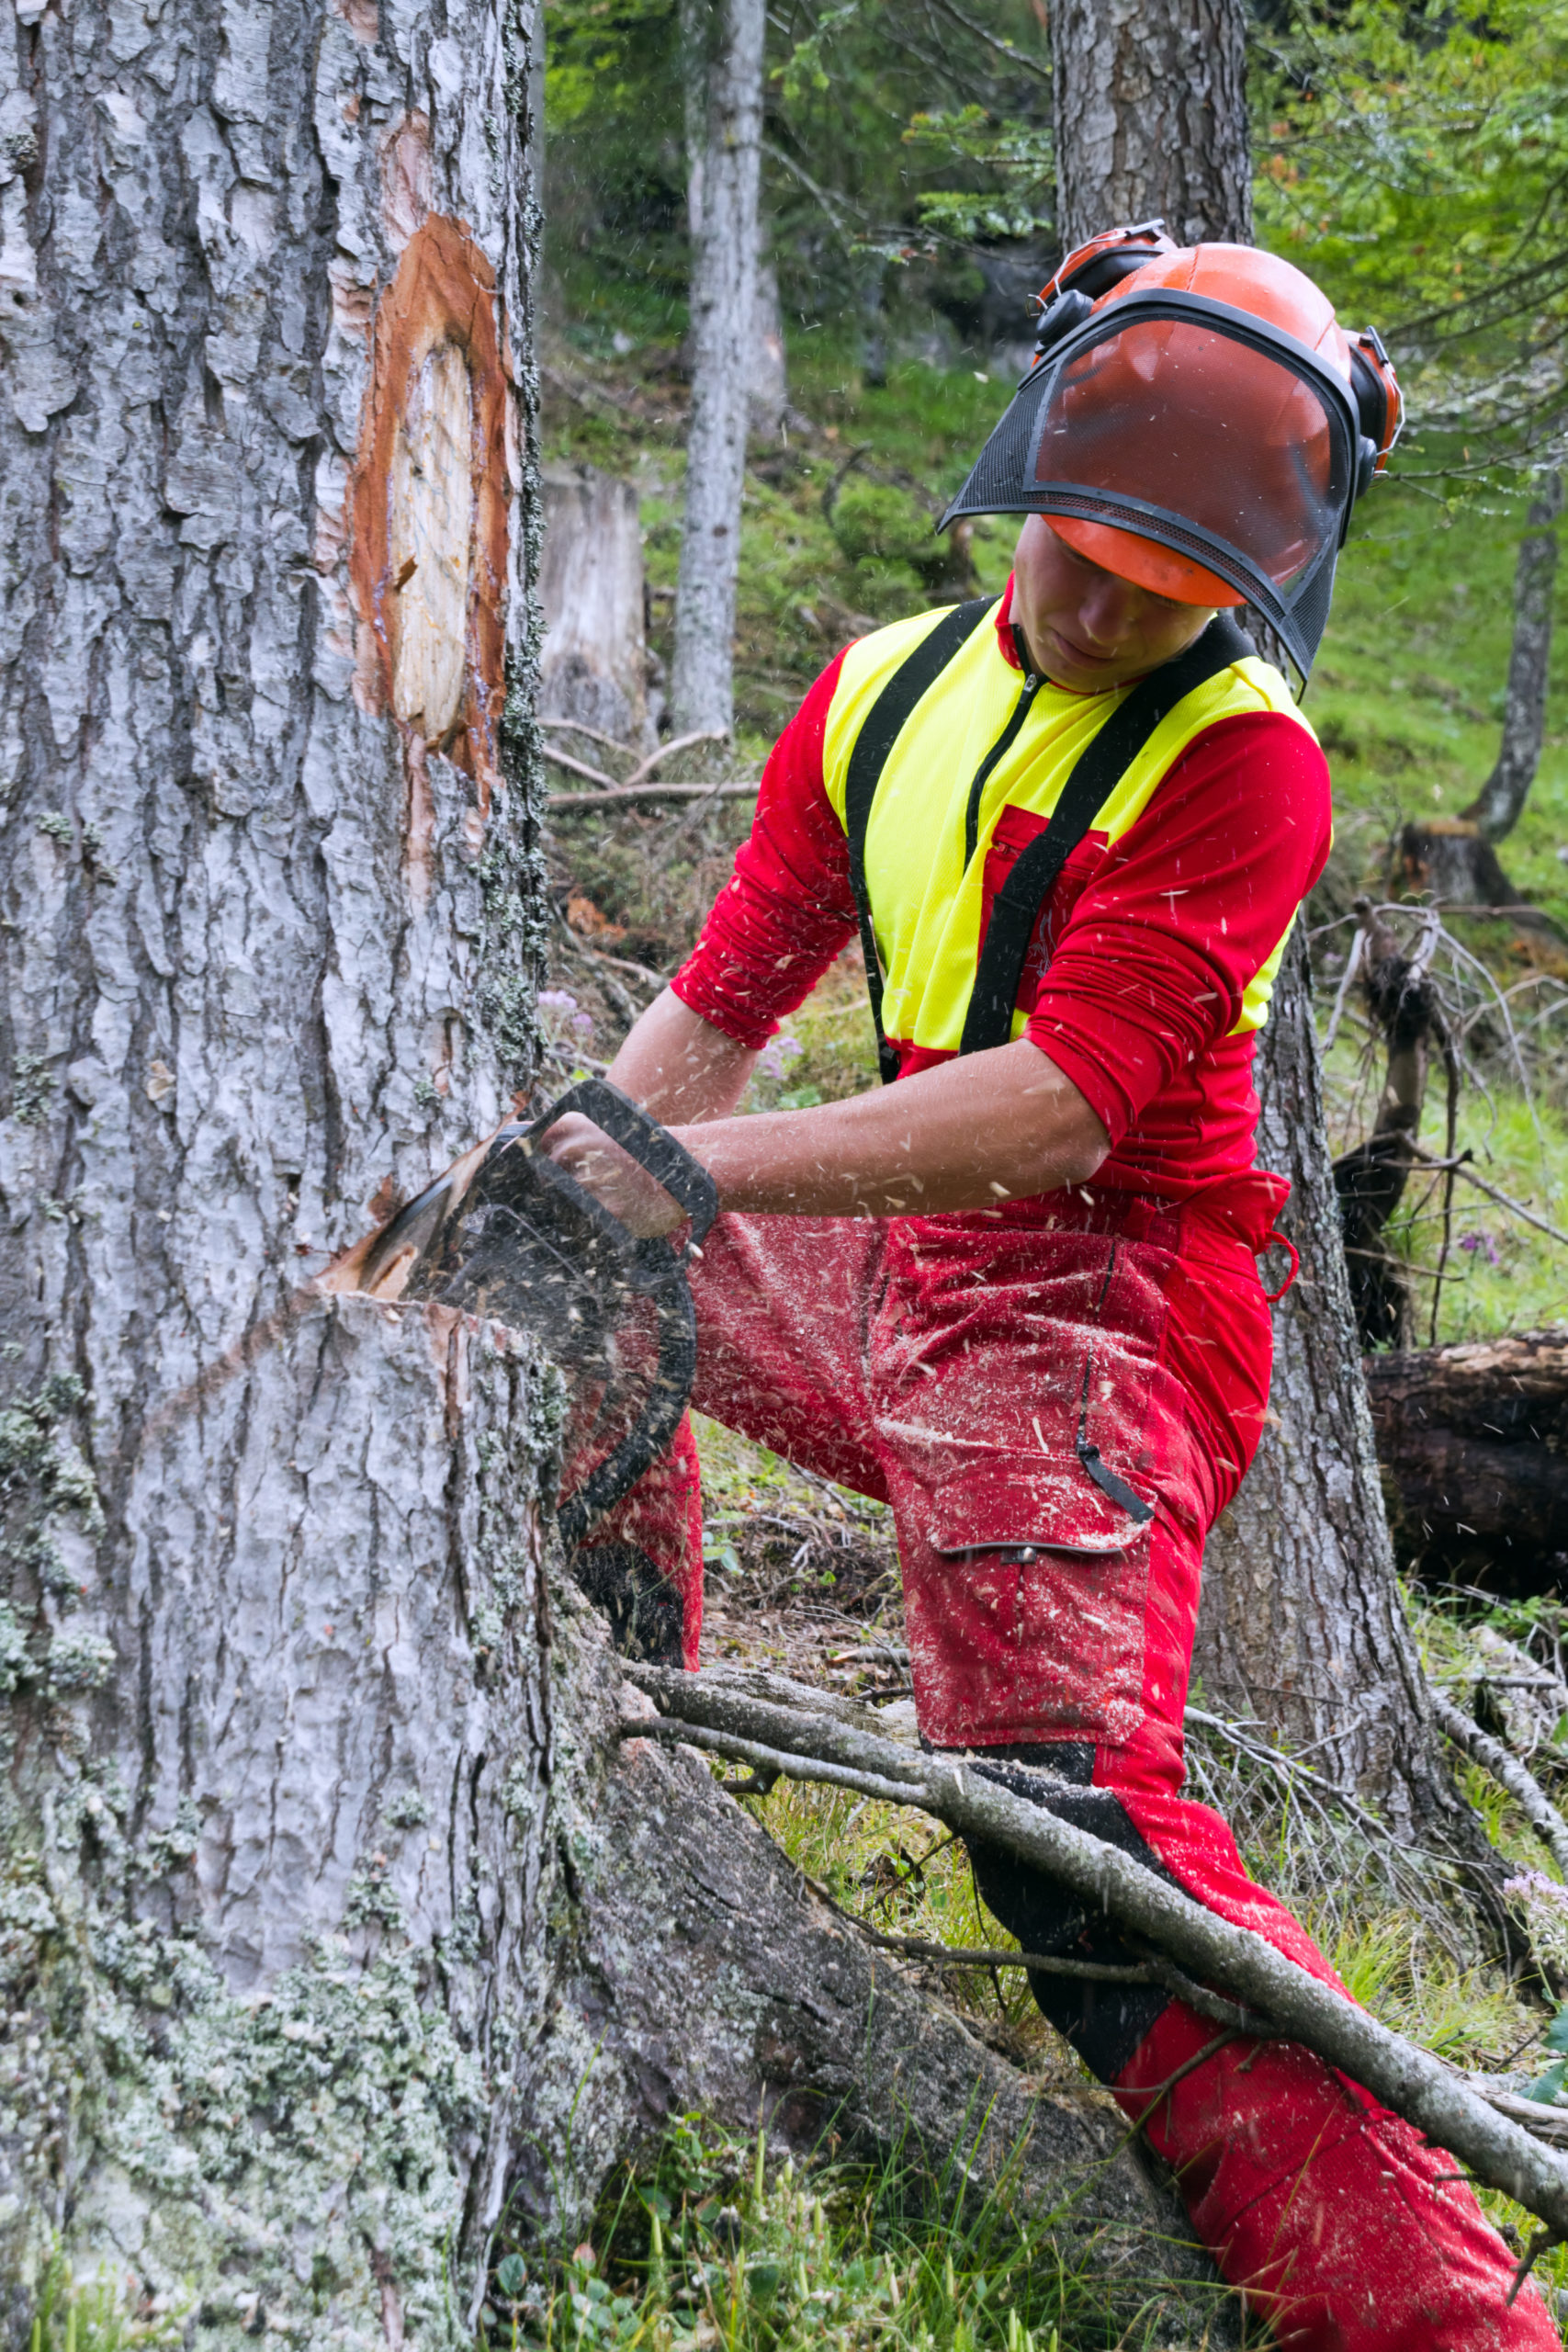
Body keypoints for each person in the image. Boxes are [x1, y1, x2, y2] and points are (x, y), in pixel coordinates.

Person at [545, 229, 1556, 2349]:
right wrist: (576, 1174)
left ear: (1243, 587)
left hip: (1100, 1312)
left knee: (1061, 1824)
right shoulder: (880, 686)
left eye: (1161, 589)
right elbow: (724, 1002)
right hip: (902, 1250)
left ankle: (1440, 2314)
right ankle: (602, 1745)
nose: (1095, 609)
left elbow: (1060, 1107)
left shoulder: (1244, 762)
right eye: (1077, 553)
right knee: (567, 1292)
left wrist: (690, 1169)